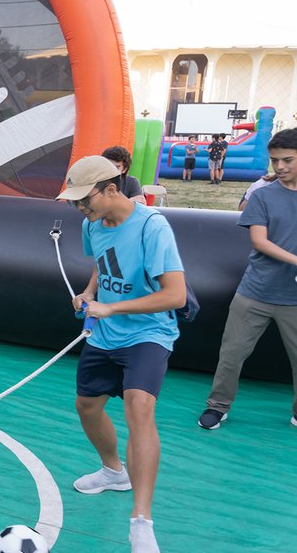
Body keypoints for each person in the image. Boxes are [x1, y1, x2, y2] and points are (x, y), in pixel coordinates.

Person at [57, 155, 187, 553]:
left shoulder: (152, 226)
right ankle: (114, 471)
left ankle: (141, 522)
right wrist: (91, 293)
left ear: (111, 189)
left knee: (139, 408)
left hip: (148, 333)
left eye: (85, 200)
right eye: (75, 203)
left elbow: (175, 295)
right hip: (105, 334)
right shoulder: (91, 224)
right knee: (87, 406)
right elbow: (102, 262)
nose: (80, 209)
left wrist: (111, 308)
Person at [198, 129, 297, 431]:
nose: (279, 167)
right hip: (255, 292)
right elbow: (259, 241)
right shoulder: (263, 195)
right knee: (232, 353)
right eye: (274, 160)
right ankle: (217, 407)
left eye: (288, 160)